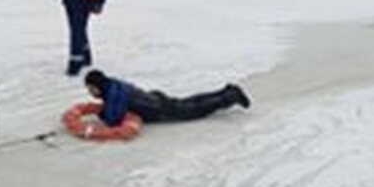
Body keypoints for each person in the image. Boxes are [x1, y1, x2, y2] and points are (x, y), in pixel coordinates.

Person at [84, 69, 251, 127]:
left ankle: (229, 97)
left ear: (96, 87)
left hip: (157, 109)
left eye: (90, 89)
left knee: (196, 109)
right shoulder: (113, 84)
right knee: (191, 101)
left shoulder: (114, 94)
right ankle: (225, 91)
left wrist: (102, 114)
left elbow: (114, 120)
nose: (90, 92)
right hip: (154, 98)